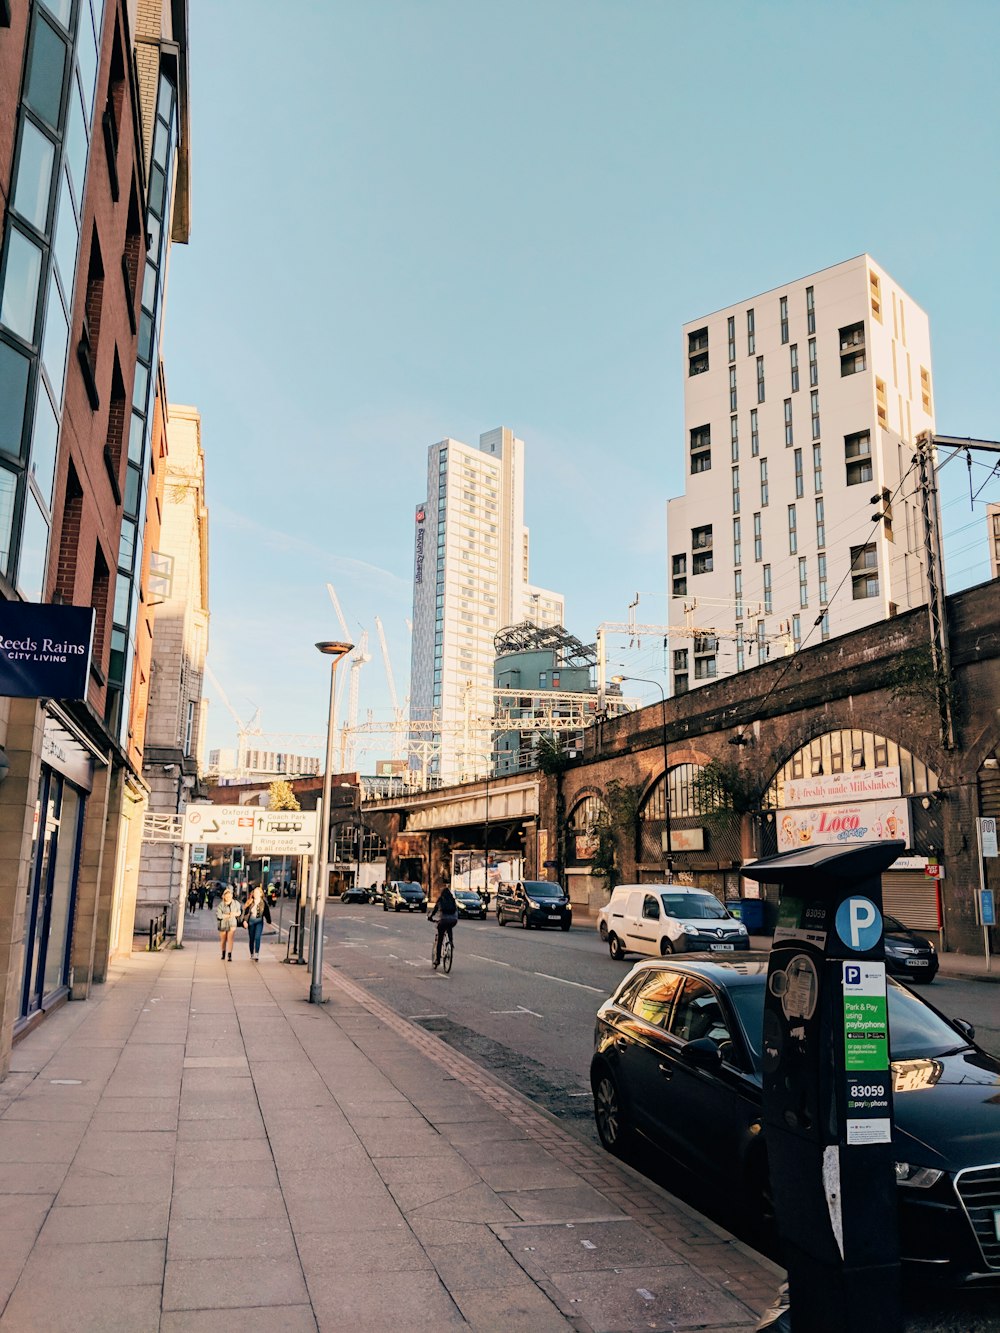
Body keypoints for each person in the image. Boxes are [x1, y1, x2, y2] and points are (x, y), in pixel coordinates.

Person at [428, 885, 459, 966]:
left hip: (443, 921)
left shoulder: (441, 899)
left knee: (440, 939)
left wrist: (430, 917)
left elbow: (435, 910)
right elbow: (456, 910)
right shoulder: (452, 900)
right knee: (449, 927)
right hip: (453, 920)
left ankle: (437, 960)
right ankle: (451, 942)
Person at [242, 884, 271, 961]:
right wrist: (245, 921)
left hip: (259, 922)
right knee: (251, 938)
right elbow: (246, 913)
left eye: (257, 893)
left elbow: (266, 912)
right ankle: (252, 953)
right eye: (255, 893)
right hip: (251, 922)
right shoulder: (250, 902)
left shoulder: (263, 903)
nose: (256, 894)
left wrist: (269, 920)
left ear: (261, 894)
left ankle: (256, 954)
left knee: (257, 937)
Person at [216, 886, 242, 961]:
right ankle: (223, 953)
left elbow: (239, 912)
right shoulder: (221, 905)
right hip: (223, 924)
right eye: (226, 896)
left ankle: (229, 954)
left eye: (229, 896)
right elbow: (219, 915)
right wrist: (228, 915)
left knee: (230, 939)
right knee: (223, 940)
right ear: (224, 897)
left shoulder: (236, 903)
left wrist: (234, 914)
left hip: (232, 923)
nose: (228, 898)